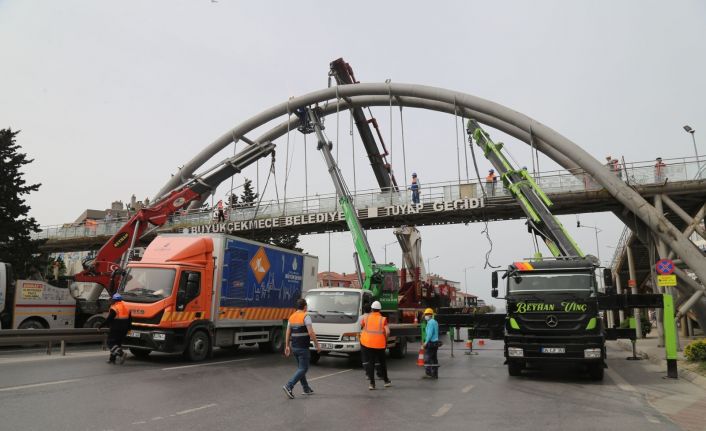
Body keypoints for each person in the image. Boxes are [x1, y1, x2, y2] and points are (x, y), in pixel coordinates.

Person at [283, 298, 320, 399]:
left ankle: (306, 388)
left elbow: (287, 333)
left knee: (301, 369)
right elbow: (311, 332)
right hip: (303, 347)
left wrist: (286, 346)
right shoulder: (306, 316)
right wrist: (317, 345)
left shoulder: (291, 317)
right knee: (303, 368)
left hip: (294, 347)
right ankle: (289, 386)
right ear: (305, 307)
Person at [360, 301, 391, 390]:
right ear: (380, 309)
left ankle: (372, 384)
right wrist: (386, 339)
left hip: (368, 344)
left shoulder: (366, 318)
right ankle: (386, 381)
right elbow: (388, 332)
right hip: (380, 345)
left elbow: (361, 325)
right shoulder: (383, 319)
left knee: (371, 363)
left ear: (372, 309)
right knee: (382, 363)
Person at [99, 293, 131, 364]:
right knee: (117, 344)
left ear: (114, 300)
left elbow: (109, 319)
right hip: (124, 329)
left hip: (116, 328)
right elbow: (130, 320)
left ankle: (121, 354)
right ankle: (112, 359)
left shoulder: (114, 308)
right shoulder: (126, 307)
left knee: (110, 343)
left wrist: (101, 326)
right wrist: (129, 329)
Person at [422, 308, 440, 379]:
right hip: (435, 343)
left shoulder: (430, 322)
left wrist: (425, 343)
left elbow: (429, 334)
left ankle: (428, 374)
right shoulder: (435, 322)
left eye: (426, 314)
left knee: (428, 359)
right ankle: (435, 374)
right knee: (434, 359)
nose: (425, 316)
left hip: (431, 343)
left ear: (430, 315)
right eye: (425, 314)